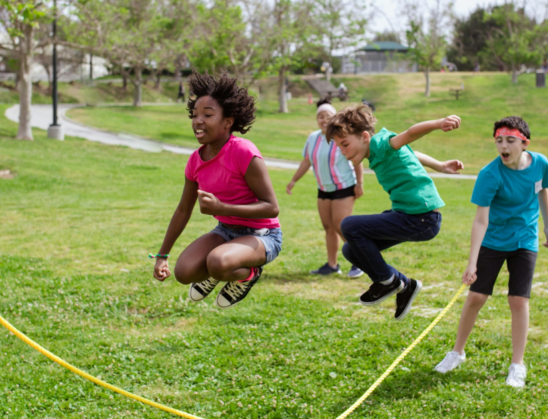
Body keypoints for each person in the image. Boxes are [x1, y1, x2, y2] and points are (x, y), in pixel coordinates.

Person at [434, 116, 548, 388]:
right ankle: (456, 352)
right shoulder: (490, 174)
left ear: (524, 143)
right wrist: (472, 263)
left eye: (510, 140)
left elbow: (542, 190)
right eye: (499, 140)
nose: (504, 146)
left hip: (524, 239)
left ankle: (517, 364)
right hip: (494, 239)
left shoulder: (540, 164)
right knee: (476, 296)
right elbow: (480, 220)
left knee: (518, 300)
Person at [152, 73, 281, 309]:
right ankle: (217, 271)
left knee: (218, 262)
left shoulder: (243, 151)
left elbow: (272, 207)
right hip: (225, 231)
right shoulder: (195, 161)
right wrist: (162, 255)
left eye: (208, 115)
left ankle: (248, 274)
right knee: (184, 272)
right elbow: (183, 210)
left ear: (227, 122)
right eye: (195, 115)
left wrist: (222, 207)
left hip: (263, 235)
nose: (198, 121)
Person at [327, 105, 464, 320]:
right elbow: (412, 152)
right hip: (409, 216)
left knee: (348, 225)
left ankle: (388, 282)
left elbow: (410, 135)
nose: (342, 152)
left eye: (345, 144)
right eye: (339, 147)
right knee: (350, 251)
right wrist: (439, 165)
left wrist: (438, 123)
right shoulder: (378, 153)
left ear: (364, 136)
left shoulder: (381, 143)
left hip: (422, 217)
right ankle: (404, 285)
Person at [287, 98, 364, 277]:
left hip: (343, 187)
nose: (323, 119)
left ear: (335, 118)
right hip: (323, 189)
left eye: (327, 116)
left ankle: (359, 262)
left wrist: (360, 184)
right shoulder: (313, 138)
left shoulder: (341, 136)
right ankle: (332, 265)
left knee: (341, 226)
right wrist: (294, 180)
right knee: (328, 227)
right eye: (320, 116)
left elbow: (356, 160)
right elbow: (307, 161)